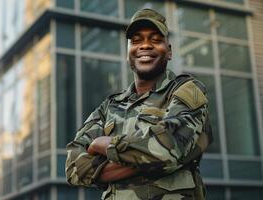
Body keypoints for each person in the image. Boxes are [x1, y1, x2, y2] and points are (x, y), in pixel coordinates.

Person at [65, 8, 212, 200]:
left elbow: (166, 150)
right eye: (136, 40)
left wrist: (105, 144)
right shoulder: (109, 107)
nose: (145, 46)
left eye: (155, 39)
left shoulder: (187, 90)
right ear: (128, 53)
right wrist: (148, 158)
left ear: (169, 51)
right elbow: (74, 168)